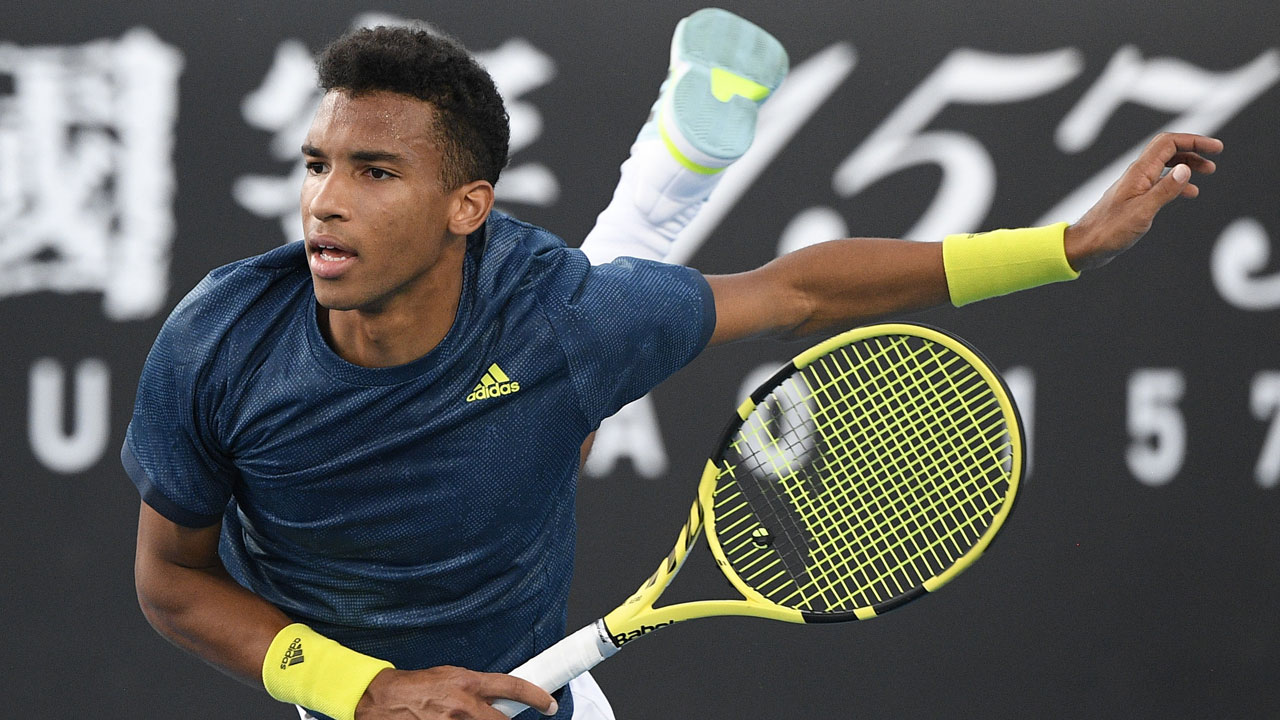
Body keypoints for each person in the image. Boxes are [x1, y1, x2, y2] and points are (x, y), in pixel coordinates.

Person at [124, 13, 1222, 720]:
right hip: (349, 685)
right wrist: (366, 692)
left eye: (372, 171)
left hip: (532, 640)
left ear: (468, 204)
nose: (323, 198)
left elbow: (800, 290)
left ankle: (674, 164)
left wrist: (1068, 247)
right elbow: (171, 580)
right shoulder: (222, 341)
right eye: (316, 164)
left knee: (581, 352)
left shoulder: (555, 321)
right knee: (587, 348)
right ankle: (676, 160)